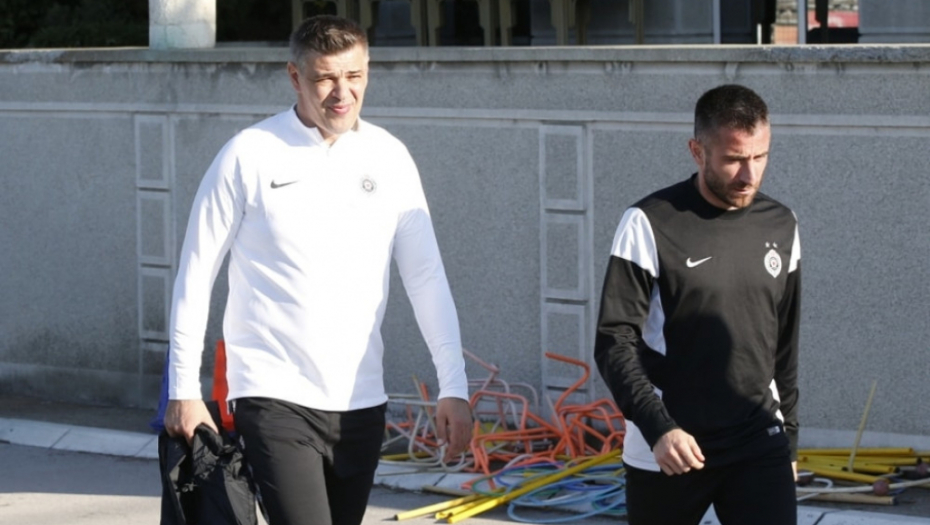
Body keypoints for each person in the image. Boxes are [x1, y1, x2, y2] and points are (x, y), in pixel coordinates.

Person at [163, 15, 473, 525]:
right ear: (294, 76)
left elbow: (426, 278)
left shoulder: (390, 158)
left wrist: (453, 385)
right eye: (325, 78)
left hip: (362, 401)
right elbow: (196, 276)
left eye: (354, 76)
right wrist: (183, 390)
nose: (342, 93)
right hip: (273, 395)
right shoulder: (248, 154)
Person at [594, 84, 801, 525]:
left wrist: (790, 442)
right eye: (733, 159)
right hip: (671, 445)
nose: (749, 174)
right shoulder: (648, 222)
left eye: (760, 156)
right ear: (697, 151)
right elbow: (614, 341)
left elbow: (784, 342)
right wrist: (658, 428)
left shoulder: (782, 224)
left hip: (757, 438)